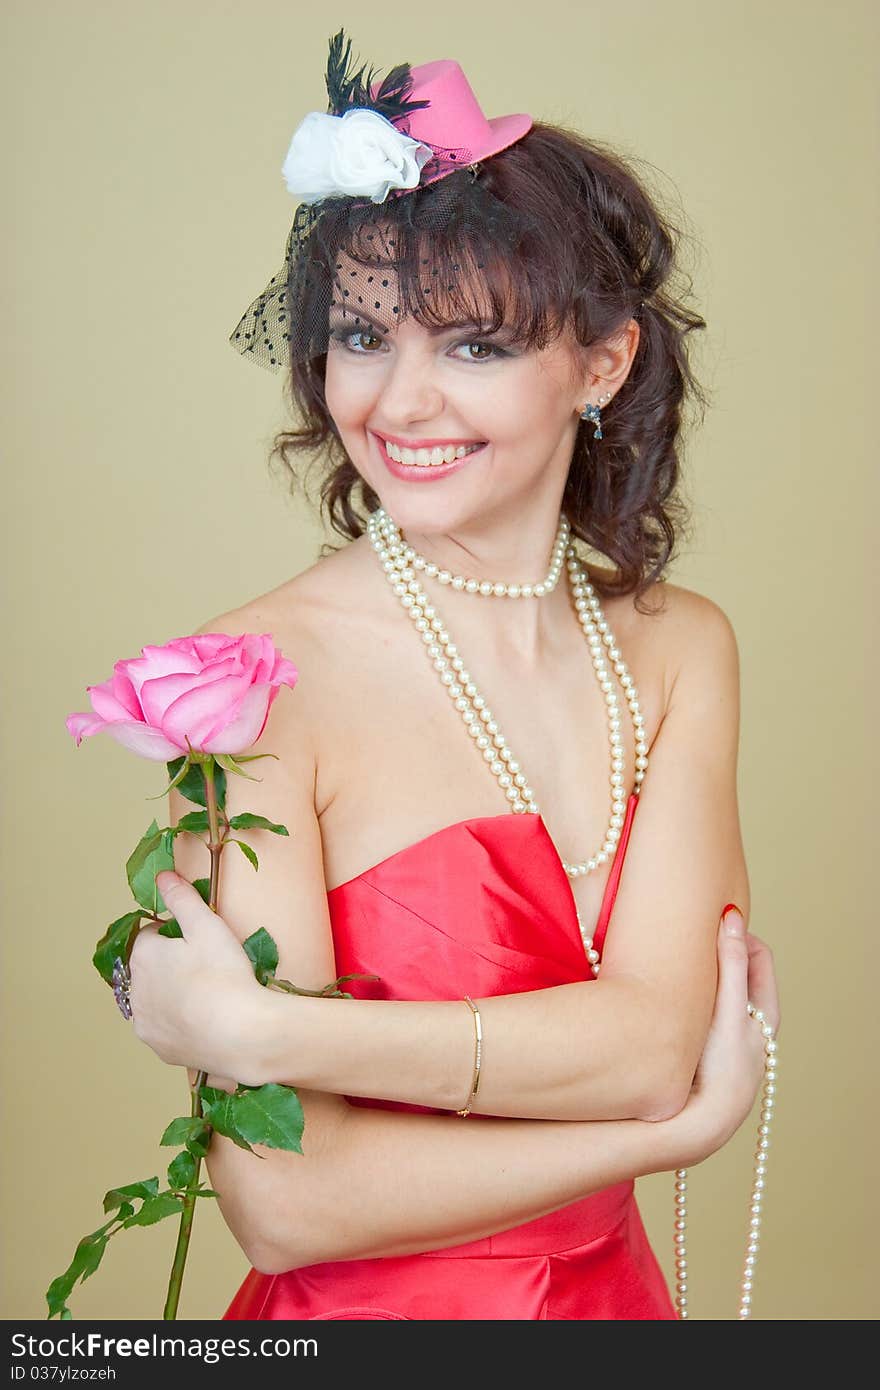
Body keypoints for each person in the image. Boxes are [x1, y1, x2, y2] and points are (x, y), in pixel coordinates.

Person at [127, 31, 781, 1320]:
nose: (400, 401)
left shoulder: (680, 647)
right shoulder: (242, 690)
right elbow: (283, 1205)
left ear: (603, 361)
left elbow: (657, 1043)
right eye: (363, 337)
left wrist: (275, 1035)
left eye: (474, 346)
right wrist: (656, 1138)